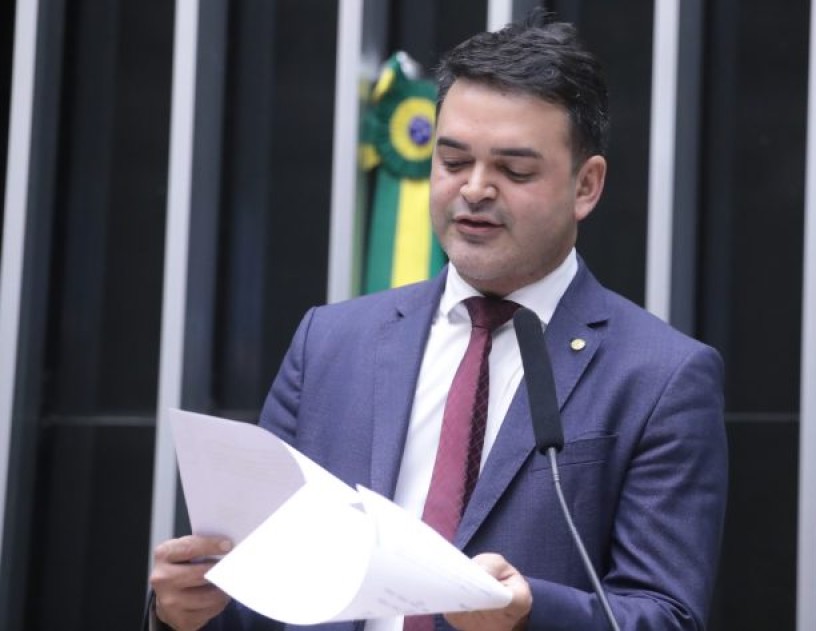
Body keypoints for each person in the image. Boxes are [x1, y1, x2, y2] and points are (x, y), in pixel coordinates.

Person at [149, 12, 727, 631]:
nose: (475, 190)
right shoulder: (330, 345)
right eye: (452, 161)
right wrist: (187, 614)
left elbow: (667, 616)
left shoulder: (660, 377)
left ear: (586, 186)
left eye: (514, 171)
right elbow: (262, 591)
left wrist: (528, 615)